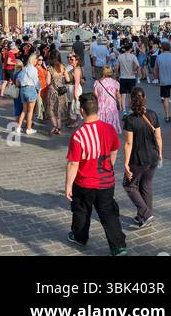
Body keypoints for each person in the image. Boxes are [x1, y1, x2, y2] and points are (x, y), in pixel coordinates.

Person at [65, 93, 128, 256]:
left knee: (81, 211)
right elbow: (114, 150)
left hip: (84, 182)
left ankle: (79, 237)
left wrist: (68, 185)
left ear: (81, 111)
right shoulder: (109, 129)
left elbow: (73, 163)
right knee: (108, 213)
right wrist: (108, 166)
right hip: (106, 181)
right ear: (97, 109)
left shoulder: (78, 136)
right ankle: (118, 245)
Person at [122, 88, 162, 229]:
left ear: (130, 100)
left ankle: (145, 213)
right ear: (144, 98)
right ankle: (143, 216)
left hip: (138, 159)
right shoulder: (152, 114)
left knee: (129, 185)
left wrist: (126, 163)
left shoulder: (130, 120)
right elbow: (158, 137)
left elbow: (128, 143)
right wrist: (160, 154)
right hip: (153, 157)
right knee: (146, 185)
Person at [154, 41, 171, 122]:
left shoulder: (158, 57)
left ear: (162, 48)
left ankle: (167, 116)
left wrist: (156, 78)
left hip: (163, 81)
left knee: (166, 98)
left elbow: (156, 70)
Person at [93, 66, 122, 133]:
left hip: (101, 106)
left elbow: (95, 96)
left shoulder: (97, 82)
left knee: (101, 122)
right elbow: (118, 96)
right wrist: (119, 105)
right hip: (112, 106)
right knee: (111, 122)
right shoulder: (115, 83)